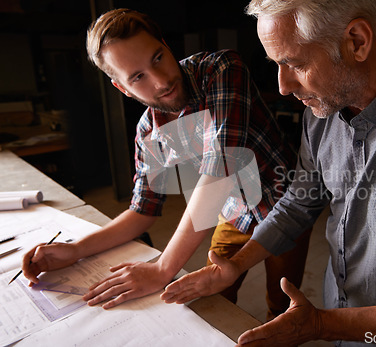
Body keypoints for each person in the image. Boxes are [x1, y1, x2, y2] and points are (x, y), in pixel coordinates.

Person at [162, 0, 376, 345]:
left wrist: (321, 326)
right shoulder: (324, 105)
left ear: (356, 41)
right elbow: (299, 202)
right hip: (338, 314)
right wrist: (238, 263)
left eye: (293, 63)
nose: (282, 86)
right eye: (276, 65)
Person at [21, 8, 312, 320]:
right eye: (137, 77)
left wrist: (163, 267)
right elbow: (142, 210)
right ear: (122, 88)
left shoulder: (221, 69)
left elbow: (222, 167)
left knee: (281, 302)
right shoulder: (149, 132)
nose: (161, 82)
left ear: (166, 45)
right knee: (212, 294)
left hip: (285, 205)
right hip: (234, 212)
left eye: (157, 58)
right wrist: (76, 250)